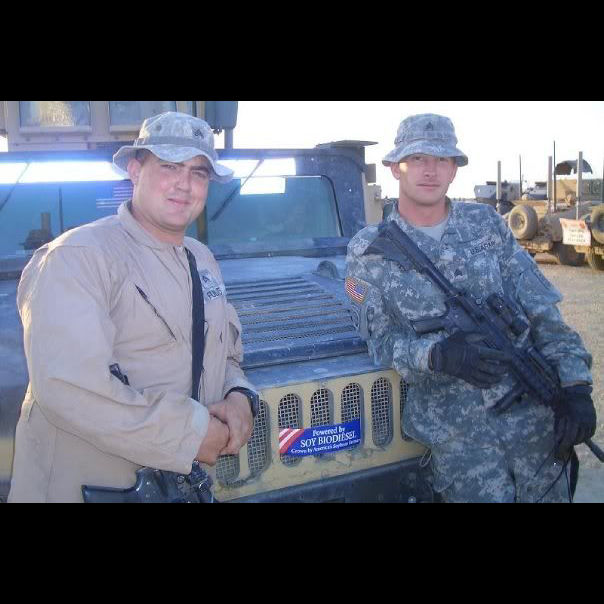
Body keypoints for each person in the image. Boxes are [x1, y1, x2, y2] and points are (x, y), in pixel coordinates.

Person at [8, 112, 259, 503]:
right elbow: (69, 389)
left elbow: (223, 354)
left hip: (174, 488)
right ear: (135, 170)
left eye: (198, 173)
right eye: (170, 166)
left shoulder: (201, 259)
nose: (184, 184)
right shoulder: (78, 257)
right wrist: (192, 433)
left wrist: (239, 396)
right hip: (89, 490)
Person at [346, 114, 597, 503]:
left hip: (535, 425)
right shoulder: (367, 250)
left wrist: (576, 386)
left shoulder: (487, 225)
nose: (430, 170)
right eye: (418, 158)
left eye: (442, 160)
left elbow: (542, 311)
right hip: (460, 442)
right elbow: (379, 342)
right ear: (396, 168)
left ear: (454, 170)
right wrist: (436, 355)